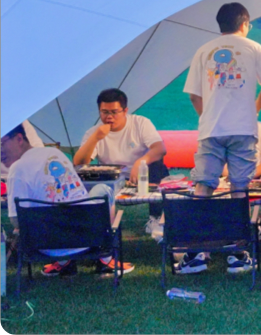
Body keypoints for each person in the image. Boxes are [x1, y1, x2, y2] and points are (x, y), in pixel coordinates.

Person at [181, 2, 261, 274]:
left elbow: (194, 95)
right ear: (244, 24)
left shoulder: (204, 50)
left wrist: (206, 117)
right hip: (243, 129)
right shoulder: (254, 48)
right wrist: (255, 109)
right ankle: (238, 253)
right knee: (239, 189)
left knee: (203, 188)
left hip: (211, 130)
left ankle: (196, 253)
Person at [2, 124, 134, 277]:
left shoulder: (17, 171)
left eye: (1, 144)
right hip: (87, 239)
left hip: (49, 246)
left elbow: (17, 220)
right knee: (103, 189)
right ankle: (106, 259)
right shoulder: (55, 153)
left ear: (19, 139)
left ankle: (64, 263)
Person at [74, 88, 168, 184]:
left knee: (156, 166)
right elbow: (79, 164)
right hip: (112, 180)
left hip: (144, 175)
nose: (109, 117)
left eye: (114, 112)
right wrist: (95, 138)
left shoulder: (140, 123)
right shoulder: (94, 133)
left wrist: (140, 163)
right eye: (105, 112)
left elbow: (160, 149)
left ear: (125, 111)